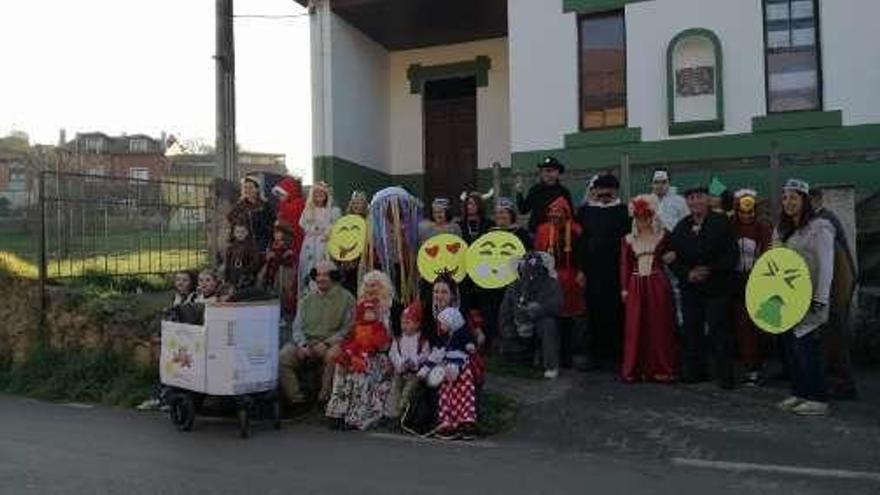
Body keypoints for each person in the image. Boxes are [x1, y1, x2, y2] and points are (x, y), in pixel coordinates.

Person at [775, 179, 835, 416]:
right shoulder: (787, 230)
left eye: (794, 197)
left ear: (805, 200)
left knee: (807, 348)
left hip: (811, 298)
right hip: (789, 299)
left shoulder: (820, 227)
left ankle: (818, 398)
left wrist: (820, 298)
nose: (788, 202)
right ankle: (799, 393)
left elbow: (827, 265)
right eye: (785, 198)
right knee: (792, 349)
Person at [669, 185, 738, 389]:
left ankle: (725, 376)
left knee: (719, 331)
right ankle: (695, 372)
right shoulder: (681, 227)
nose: (695, 201)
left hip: (717, 286)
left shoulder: (721, 222)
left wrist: (709, 269)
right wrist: (687, 273)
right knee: (692, 330)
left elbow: (731, 255)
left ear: (707, 200)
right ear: (687, 202)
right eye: (691, 198)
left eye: (699, 197)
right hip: (691, 288)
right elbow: (671, 257)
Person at [278, 260, 355, 406]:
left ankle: (324, 399)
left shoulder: (347, 299)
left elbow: (348, 328)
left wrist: (327, 343)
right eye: (318, 275)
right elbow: (297, 327)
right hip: (308, 342)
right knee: (283, 357)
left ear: (334, 277)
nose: (320, 278)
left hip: (332, 343)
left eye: (325, 275)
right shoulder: (306, 300)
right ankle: (296, 400)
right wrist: (303, 345)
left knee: (333, 356)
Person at [619, 195, 678, 383]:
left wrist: (673, 255)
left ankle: (662, 367)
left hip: (657, 283)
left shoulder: (663, 235)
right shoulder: (628, 239)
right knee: (635, 327)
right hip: (635, 285)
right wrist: (624, 289)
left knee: (659, 325)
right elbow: (624, 265)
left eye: (645, 216)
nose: (642, 221)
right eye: (638, 217)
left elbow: (675, 252)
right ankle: (635, 369)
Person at [809, 188, 859, 400]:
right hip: (834, 287)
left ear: (815, 200)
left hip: (837, 288)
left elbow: (834, 261)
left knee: (836, 336)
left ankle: (844, 384)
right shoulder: (821, 220)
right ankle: (835, 380)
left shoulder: (824, 222)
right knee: (830, 337)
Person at [576, 173, 630, 369]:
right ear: (595, 191)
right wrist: (581, 269)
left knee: (616, 311)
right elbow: (581, 243)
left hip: (617, 270)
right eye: (601, 190)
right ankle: (596, 354)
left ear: (615, 191)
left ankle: (617, 354)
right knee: (594, 310)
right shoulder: (585, 212)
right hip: (593, 270)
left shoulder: (624, 211)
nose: (605, 194)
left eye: (609, 190)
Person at [325, 298, 392, 430]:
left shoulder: (379, 325)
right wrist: (347, 354)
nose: (370, 314)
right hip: (355, 354)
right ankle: (337, 411)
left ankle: (356, 416)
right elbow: (347, 342)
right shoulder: (356, 326)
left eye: (372, 311)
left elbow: (382, 344)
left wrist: (370, 348)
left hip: (372, 358)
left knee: (360, 375)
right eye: (367, 311)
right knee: (341, 371)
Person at [536, 196, 586, 369]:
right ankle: (550, 354)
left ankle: (570, 354)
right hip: (550, 277)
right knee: (551, 316)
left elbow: (582, 252)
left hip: (571, 277)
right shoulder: (543, 230)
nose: (555, 214)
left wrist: (581, 271)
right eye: (552, 211)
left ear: (566, 213)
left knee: (573, 317)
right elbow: (538, 254)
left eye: (558, 211)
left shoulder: (575, 230)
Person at [731, 189, 772, 386]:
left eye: (750, 212)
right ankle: (749, 367)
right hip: (737, 282)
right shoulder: (731, 228)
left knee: (759, 326)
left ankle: (758, 366)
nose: (746, 215)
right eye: (742, 212)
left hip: (758, 281)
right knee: (742, 326)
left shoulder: (763, 229)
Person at [499, 252, 563, 378]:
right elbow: (505, 312)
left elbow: (557, 304)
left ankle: (550, 365)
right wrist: (510, 329)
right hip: (519, 328)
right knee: (514, 356)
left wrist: (539, 309)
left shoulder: (551, 283)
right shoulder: (514, 286)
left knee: (549, 324)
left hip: (540, 325)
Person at [432, 307, 479, 440]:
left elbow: (471, 343)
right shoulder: (443, 337)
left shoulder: (462, 333)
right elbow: (438, 351)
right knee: (446, 396)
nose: (441, 326)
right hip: (447, 370)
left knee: (465, 395)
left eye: (443, 323)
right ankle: (448, 423)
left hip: (462, 370)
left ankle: (466, 421)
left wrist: (470, 345)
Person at [387, 300, 430, 420]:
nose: (404, 326)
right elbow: (393, 353)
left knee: (408, 392)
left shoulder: (422, 340)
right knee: (395, 390)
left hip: (414, 373)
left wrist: (414, 361)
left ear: (417, 324)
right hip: (400, 371)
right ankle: (392, 414)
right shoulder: (399, 339)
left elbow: (425, 354)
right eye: (402, 323)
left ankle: (403, 413)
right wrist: (400, 363)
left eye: (408, 322)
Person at [298, 181, 341, 298]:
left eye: (322, 193)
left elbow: (336, 226)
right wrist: (314, 230)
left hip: (325, 244)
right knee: (309, 269)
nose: (319, 195)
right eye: (316, 193)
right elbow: (303, 225)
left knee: (325, 267)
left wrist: (328, 232)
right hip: (310, 245)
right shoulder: (308, 210)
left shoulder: (333, 211)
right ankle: (309, 295)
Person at [516, 156, 574, 234]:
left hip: (557, 234)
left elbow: (570, 215)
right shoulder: (535, 190)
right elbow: (523, 210)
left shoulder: (563, 192)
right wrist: (519, 193)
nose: (546, 173)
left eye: (549, 171)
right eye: (543, 171)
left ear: (557, 172)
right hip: (536, 233)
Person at [227, 175, 276, 252]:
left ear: (257, 189)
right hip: (244, 245)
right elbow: (232, 224)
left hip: (262, 244)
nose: (247, 190)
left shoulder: (265, 206)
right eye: (245, 188)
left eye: (250, 187)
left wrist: (270, 244)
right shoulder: (239, 206)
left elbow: (272, 225)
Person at [265, 223, 297, 322]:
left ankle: (283, 315)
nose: (276, 235)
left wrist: (276, 256)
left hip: (283, 273)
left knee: (282, 293)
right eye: (275, 233)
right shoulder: (272, 244)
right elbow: (269, 257)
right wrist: (268, 257)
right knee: (272, 293)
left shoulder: (287, 245)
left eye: (278, 233)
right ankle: (274, 314)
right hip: (272, 272)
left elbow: (288, 260)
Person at [341, 191, 370, 295]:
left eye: (359, 203)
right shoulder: (345, 220)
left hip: (364, 259)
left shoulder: (369, 221)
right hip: (349, 259)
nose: (356, 205)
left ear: (365, 205)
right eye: (354, 203)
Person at [223, 223, 261, 290]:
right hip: (233, 274)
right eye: (237, 232)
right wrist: (226, 277)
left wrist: (246, 271)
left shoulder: (251, 247)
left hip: (246, 276)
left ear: (246, 233)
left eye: (242, 232)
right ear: (234, 233)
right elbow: (228, 263)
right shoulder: (231, 248)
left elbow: (255, 262)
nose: (240, 234)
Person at [650, 169, 688, 233]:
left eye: (663, 182)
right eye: (656, 182)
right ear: (651, 184)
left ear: (669, 183)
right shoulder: (645, 202)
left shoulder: (680, 201)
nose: (660, 186)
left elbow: (687, 222)